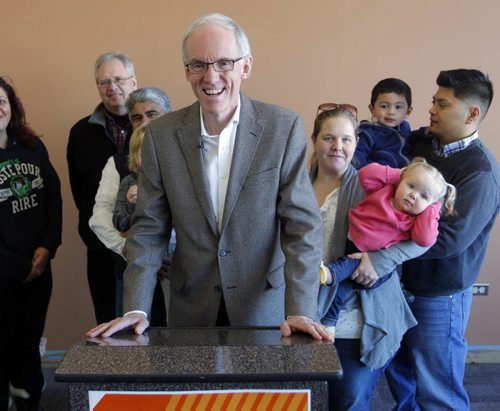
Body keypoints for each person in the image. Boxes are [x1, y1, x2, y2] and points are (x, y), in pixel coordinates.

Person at [87, 13, 329, 341]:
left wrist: (300, 308)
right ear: (187, 70)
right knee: (194, 393)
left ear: (245, 66)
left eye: (224, 63)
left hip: (264, 308)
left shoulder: (281, 129)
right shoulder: (161, 136)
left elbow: (302, 228)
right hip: (192, 309)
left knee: (260, 394)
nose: (210, 76)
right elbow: (148, 228)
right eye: (198, 64)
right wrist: (136, 308)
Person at [388, 69, 500, 410]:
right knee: (401, 377)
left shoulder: (480, 171)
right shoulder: (419, 143)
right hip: (399, 285)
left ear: (472, 114)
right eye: (433, 101)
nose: (431, 109)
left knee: (438, 390)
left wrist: (384, 249)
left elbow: (448, 240)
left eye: (442, 103)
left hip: (440, 295)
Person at [311, 103, 426, 409]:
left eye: (346, 140)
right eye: (328, 138)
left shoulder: (374, 186)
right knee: (304, 396)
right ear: (314, 140)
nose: (338, 146)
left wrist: (380, 261)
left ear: (356, 145)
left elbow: (425, 238)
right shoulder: (294, 185)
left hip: (357, 315)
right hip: (302, 309)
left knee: (348, 398)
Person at [322, 158, 456, 334]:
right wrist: (400, 175)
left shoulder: (414, 220)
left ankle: (330, 272)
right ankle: (328, 324)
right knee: (340, 291)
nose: (414, 195)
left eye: (424, 196)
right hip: (352, 245)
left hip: (373, 266)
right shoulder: (383, 191)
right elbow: (365, 174)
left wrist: (432, 209)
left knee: (344, 269)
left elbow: (425, 239)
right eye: (411, 186)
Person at [0, 77, 62, 410]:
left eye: (2, 100)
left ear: (12, 105)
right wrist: (19, 267)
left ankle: (30, 400)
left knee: (27, 344)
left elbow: (53, 197)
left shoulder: (31, 147)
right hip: (6, 274)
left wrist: (48, 246)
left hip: (38, 271)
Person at [89, 87, 172, 320]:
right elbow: (99, 218)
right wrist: (132, 251)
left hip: (179, 273)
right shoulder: (117, 165)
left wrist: (166, 253)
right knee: (134, 347)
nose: (145, 122)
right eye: (137, 117)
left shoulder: (190, 158)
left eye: (152, 114)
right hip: (132, 268)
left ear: (169, 116)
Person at [67, 52, 138, 324]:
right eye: (104, 82)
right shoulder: (81, 133)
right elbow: (80, 193)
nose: (112, 87)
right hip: (100, 251)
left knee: (151, 326)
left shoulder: (154, 126)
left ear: (134, 81)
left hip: (150, 253)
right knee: (107, 324)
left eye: (119, 79)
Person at [353, 78, 413, 169]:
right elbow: (356, 160)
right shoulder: (368, 133)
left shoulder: (405, 128)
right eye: (384, 106)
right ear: (372, 109)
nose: (391, 112)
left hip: (405, 177)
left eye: (398, 107)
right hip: (379, 179)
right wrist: (377, 172)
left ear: (408, 112)